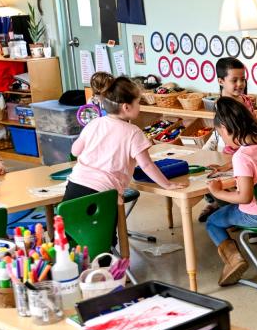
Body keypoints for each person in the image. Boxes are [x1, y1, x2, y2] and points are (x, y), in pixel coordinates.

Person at [65, 77, 184, 242]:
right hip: (103, 194)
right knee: (103, 242)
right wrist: (168, 185)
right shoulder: (133, 132)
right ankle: (107, 267)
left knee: (73, 240)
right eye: (138, 102)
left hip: (74, 188)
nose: (140, 106)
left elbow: (75, 151)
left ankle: (83, 268)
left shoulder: (94, 123)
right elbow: (147, 165)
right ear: (126, 107)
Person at [205, 98, 257, 286]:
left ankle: (234, 260)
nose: (223, 139)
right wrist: (227, 168)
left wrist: (217, 193)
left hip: (256, 215)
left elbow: (245, 197)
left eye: (220, 134)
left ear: (225, 129)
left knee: (212, 222)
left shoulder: (242, 157)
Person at [200, 57, 257, 222]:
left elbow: (253, 122)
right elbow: (229, 137)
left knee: (249, 186)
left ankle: (246, 215)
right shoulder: (222, 106)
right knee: (232, 184)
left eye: (243, 79)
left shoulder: (246, 100)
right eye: (234, 80)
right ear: (221, 81)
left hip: (249, 151)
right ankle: (226, 209)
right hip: (233, 152)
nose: (240, 84)